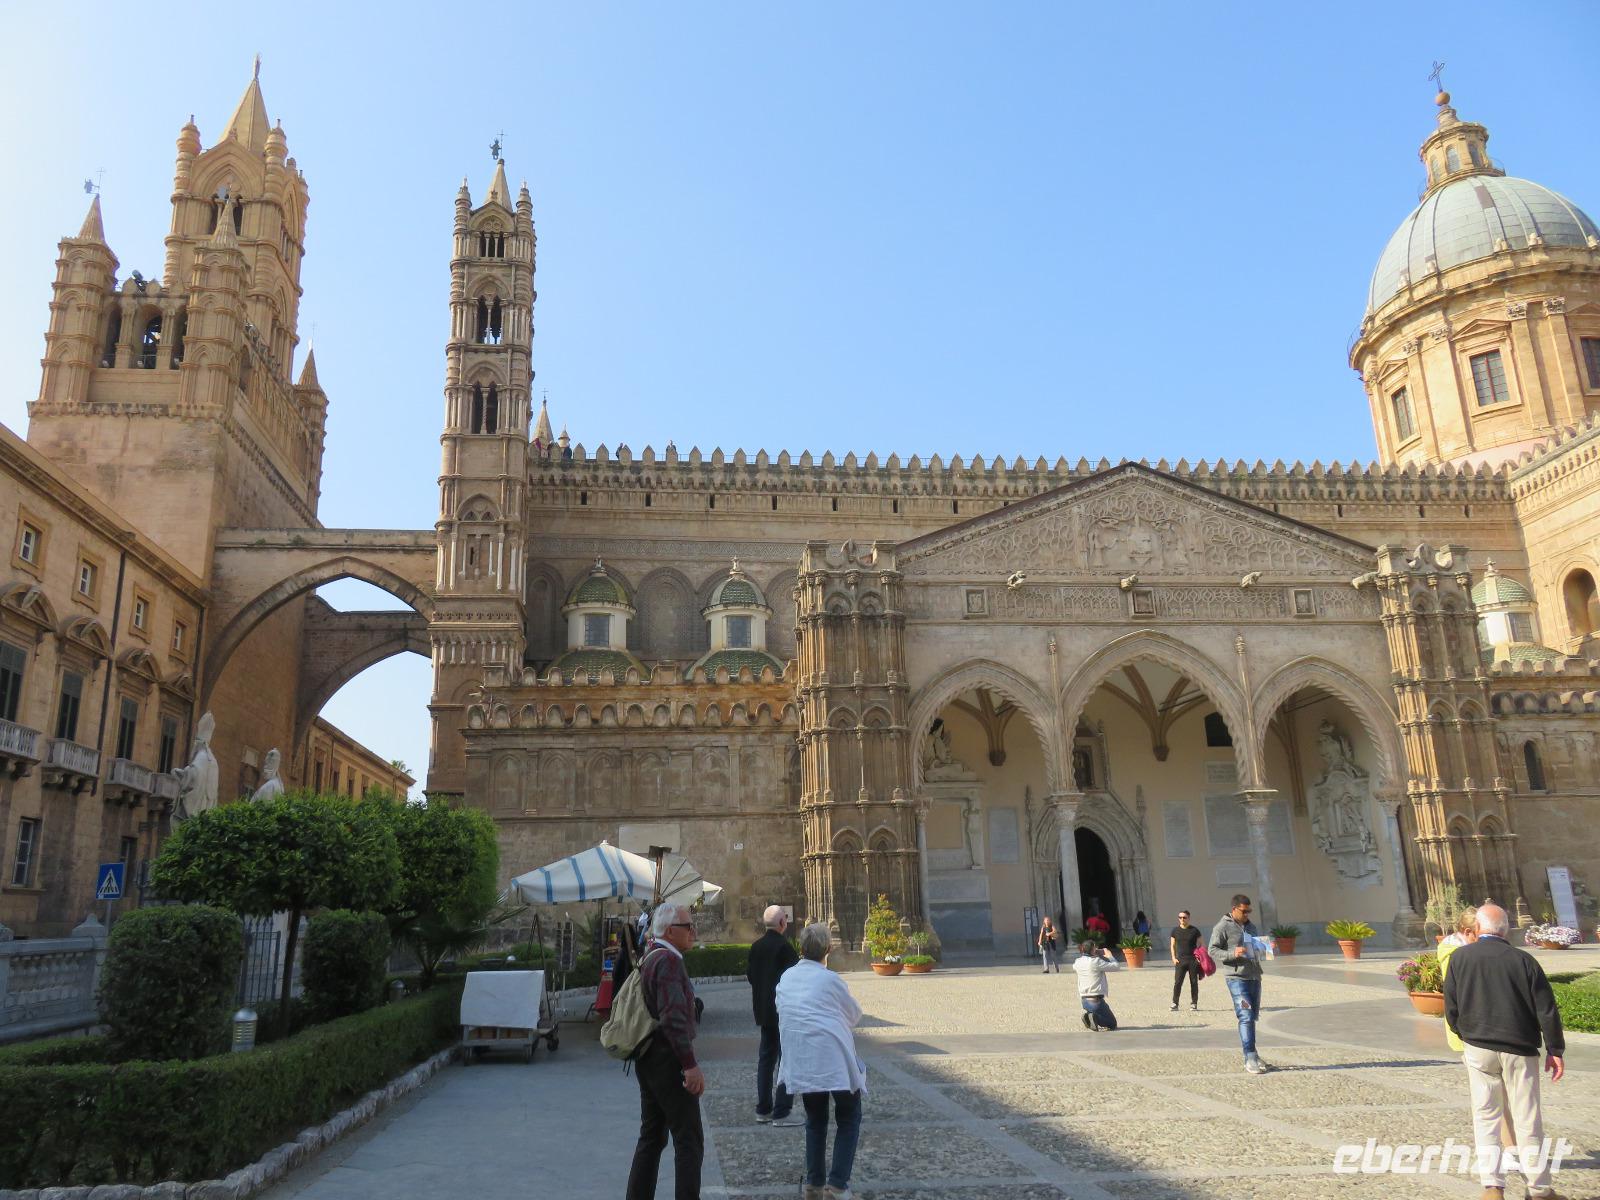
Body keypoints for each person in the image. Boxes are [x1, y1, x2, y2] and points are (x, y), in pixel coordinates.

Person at [1443, 903, 1568, 1200]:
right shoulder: (1524, 960)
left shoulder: (1460, 958)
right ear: (1506, 930)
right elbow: (1546, 1009)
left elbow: (1451, 1005)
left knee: (1485, 1115)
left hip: (1478, 1046)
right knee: (1527, 1117)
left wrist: (1466, 1034)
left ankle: (1493, 1187)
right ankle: (1538, 1189)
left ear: (1478, 928)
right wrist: (1555, 1048)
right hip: (1519, 1048)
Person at [777, 922, 867, 1200]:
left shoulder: (787, 977)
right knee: (849, 1115)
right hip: (833, 1057)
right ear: (828, 949)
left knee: (815, 1119)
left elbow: (781, 1008)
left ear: (801, 948)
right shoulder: (831, 980)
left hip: (803, 1058)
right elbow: (854, 1015)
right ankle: (837, 1185)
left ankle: (814, 1185)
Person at [625, 904, 705, 1200]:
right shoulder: (669, 961)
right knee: (689, 1140)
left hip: (648, 1057)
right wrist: (690, 1065)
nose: (693, 931)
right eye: (688, 926)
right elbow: (673, 1019)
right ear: (670, 931)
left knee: (652, 1136)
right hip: (667, 1060)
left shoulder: (651, 954)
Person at [746, 905, 799, 1126]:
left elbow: (751, 976)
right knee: (786, 1060)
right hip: (783, 1011)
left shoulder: (756, 946)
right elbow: (794, 980)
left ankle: (763, 1109)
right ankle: (782, 1111)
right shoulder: (785, 947)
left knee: (766, 1060)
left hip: (763, 1011)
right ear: (782, 923)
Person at [1211, 894, 1268, 1074]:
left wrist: (1265, 948)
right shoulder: (1222, 927)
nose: (1247, 914)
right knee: (1245, 1015)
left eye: (1249, 911)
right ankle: (1249, 1057)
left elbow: (1256, 950)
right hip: (1236, 979)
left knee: (1252, 1016)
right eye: (1244, 911)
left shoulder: (1251, 926)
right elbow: (1212, 950)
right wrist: (1232, 953)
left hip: (1254, 976)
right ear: (1234, 909)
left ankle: (1254, 1053)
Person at [1073, 939, 1121, 1031]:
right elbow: (1116, 966)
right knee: (1112, 1024)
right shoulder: (1096, 961)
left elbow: (1077, 965)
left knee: (1101, 1012)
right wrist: (1109, 956)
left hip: (1084, 1001)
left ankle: (1090, 1016)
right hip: (1096, 1001)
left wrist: (1093, 953)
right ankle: (1094, 1017)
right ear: (1093, 949)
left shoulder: (1077, 962)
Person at [1169, 909, 1202, 1012]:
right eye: (1180, 917)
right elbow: (1172, 945)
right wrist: (1173, 957)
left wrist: (1199, 957)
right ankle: (1175, 1003)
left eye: (1184, 917)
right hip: (1180, 961)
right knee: (1178, 982)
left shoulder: (1195, 930)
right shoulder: (1175, 931)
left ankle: (1194, 1003)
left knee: (1194, 982)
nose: (1182, 919)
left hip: (1193, 961)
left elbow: (1201, 944)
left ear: (1188, 918)